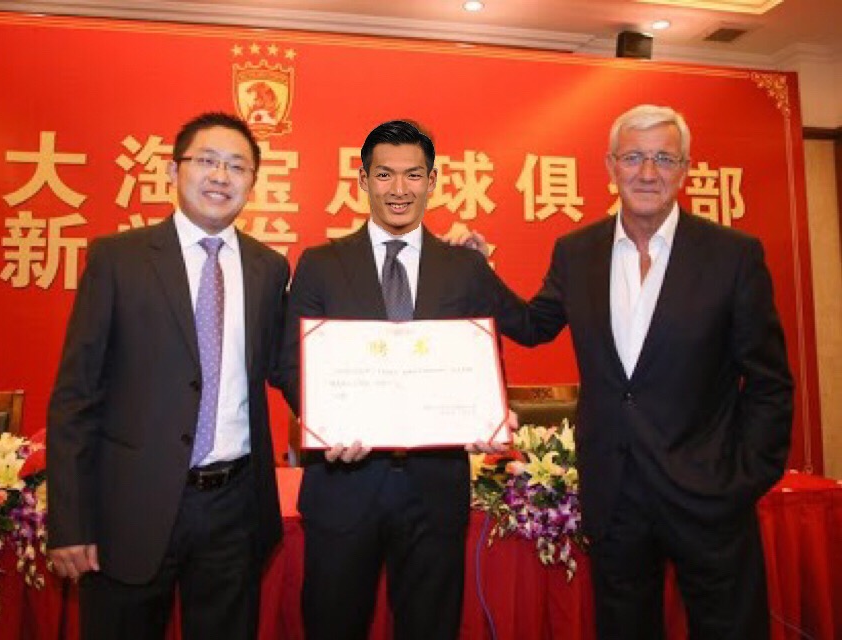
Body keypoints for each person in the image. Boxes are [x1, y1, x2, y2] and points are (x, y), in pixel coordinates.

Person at [519, 104, 794, 638]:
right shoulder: (577, 252)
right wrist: (473, 269)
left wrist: (744, 477)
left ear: (685, 169)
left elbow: (769, 382)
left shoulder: (733, 255)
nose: (648, 173)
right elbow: (532, 325)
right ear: (610, 166)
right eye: (634, 158)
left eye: (664, 159)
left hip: (710, 497)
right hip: (616, 497)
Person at [277, 120, 528, 640]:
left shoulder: (465, 268)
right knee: (332, 625)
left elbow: (490, 358)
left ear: (432, 181)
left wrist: (487, 417)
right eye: (384, 174)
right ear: (362, 180)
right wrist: (325, 424)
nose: (399, 189)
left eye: (413, 175)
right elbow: (290, 363)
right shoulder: (321, 264)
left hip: (434, 492)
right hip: (343, 486)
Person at [46, 112, 290, 640]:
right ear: (173, 171)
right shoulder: (118, 259)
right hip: (129, 507)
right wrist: (71, 522)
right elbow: (75, 398)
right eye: (207, 161)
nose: (221, 176)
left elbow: (289, 365)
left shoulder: (269, 269)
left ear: (253, 182)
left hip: (233, 507)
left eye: (237, 166)